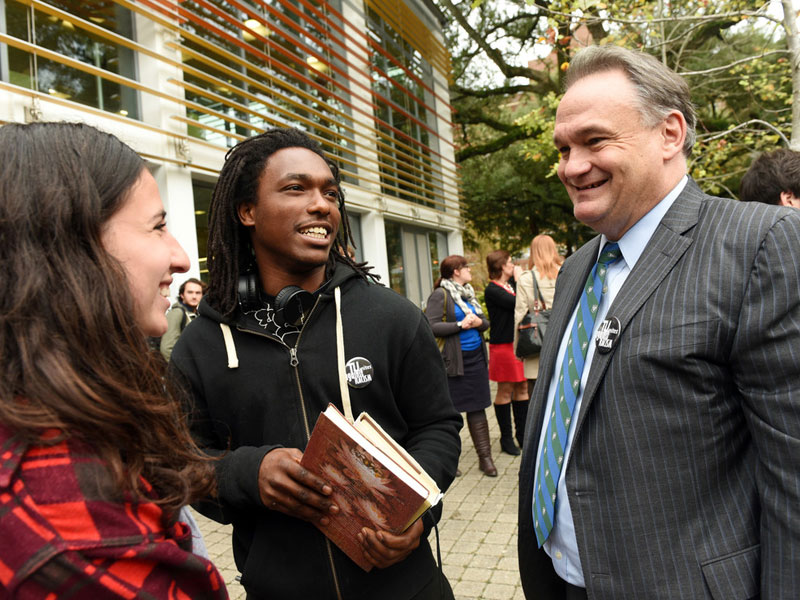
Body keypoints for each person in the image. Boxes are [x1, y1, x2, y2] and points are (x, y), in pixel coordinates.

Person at [517, 45, 800, 600]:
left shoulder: (760, 245)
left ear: (670, 134)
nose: (572, 166)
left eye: (595, 141)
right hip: (564, 582)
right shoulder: (579, 267)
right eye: (564, 148)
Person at [169, 127, 461, 600]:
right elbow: (179, 464)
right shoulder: (200, 345)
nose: (322, 204)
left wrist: (419, 514)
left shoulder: (392, 317)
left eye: (330, 192)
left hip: (410, 587)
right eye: (295, 188)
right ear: (247, 211)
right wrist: (246, 474)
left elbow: (439, 427)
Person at [0, 122, 227, 598]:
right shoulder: (70, 534)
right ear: (72, 249)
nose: (182, 257)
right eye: (158, 226)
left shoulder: (58, 416)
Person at [425, 256, 496, 477]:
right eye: (466, 267)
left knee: (478, 408)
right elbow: (431, 325)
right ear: (456, 271)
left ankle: (486, 459)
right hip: (453, 362)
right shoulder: (440, 294)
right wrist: (460, 324)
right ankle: (449, 460)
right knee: (451, 413)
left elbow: (484, 322)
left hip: (476, 359)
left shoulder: (468, 293)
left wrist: (477, 323)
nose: (469, 271)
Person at [483, 249, 528, 456]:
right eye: (510, 262)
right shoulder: (493, 289)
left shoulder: (508, 286)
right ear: (501, 265)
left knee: (523, 387)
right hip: (503, 346)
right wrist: (519, 281)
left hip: (517, 344)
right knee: (505, 390)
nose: (513, 265)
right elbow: (517, 303)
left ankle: (523, 435)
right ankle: (506, 439)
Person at [513, 235, 562, 397]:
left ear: (534, 252)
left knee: (537, 404)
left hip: (536, 349)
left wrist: (518, 350)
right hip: (563, 343)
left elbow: (519, 315)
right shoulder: (566, 272)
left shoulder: (526, 278)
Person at [160, 277, 206, 360]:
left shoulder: (196, 314)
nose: (194, 296)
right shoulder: (177, 313)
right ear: (182, 295)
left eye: (198, 293)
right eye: (190, 292)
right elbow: (167, 348)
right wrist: (182, 370)